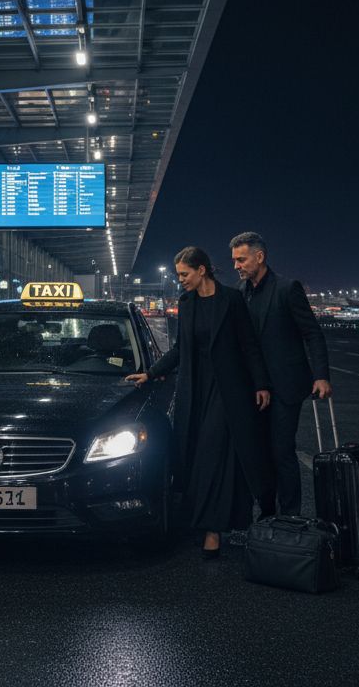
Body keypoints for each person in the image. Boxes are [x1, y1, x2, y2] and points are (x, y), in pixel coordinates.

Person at [127, 246, 272, 558]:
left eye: (184, 274)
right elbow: (180, 349)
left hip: (227, 390)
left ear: (202, 270)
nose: (180, 280)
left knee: (211, 452)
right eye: (179, 275)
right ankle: (207, 522)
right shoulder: (186, 302)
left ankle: (211, 531)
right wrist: (150, 374)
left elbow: (249, 345)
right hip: (195, 388)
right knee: (195, 454)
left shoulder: (231, 300)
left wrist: (260, 384)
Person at [229, 231, 331, 517]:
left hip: (286, 385)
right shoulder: (239, 292)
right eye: (234, 260)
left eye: (241, 259)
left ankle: (290, 517)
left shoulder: (287, 288)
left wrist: (321, 375)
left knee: (282, 451)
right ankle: (267, 512)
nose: (237, 265)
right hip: (254, 387)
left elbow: (312, 334)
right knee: (258, 453)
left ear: (259, 257)